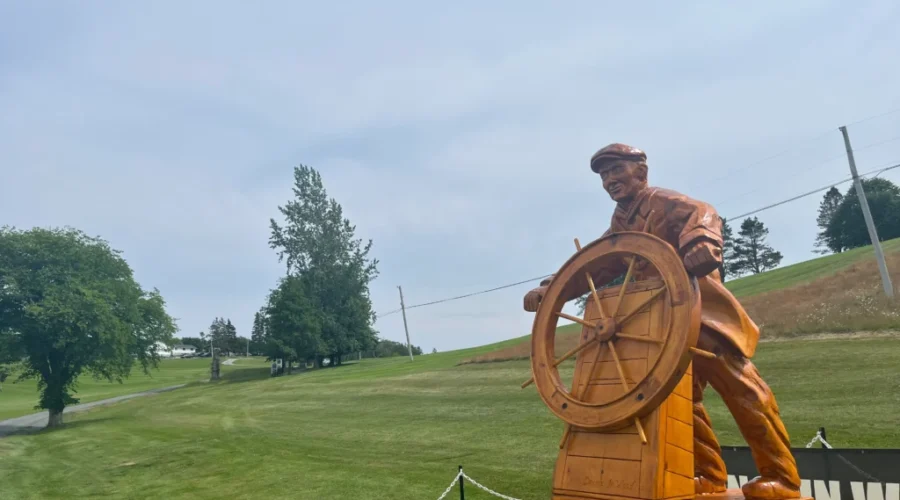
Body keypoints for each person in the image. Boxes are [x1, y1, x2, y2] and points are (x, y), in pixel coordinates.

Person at [522, 143, 801, 500]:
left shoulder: (663, 202)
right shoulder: (621, 222)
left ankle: (782, 478)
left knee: (743, 390)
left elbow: (703, 212)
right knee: (684, 401)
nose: (609, 180)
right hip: (660, 328)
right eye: (604, 175)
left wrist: (701, 243)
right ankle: (707, 475)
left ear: (640, 171)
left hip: (701, 314)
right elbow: (601, 261)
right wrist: (553, 288)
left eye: (616, 170)